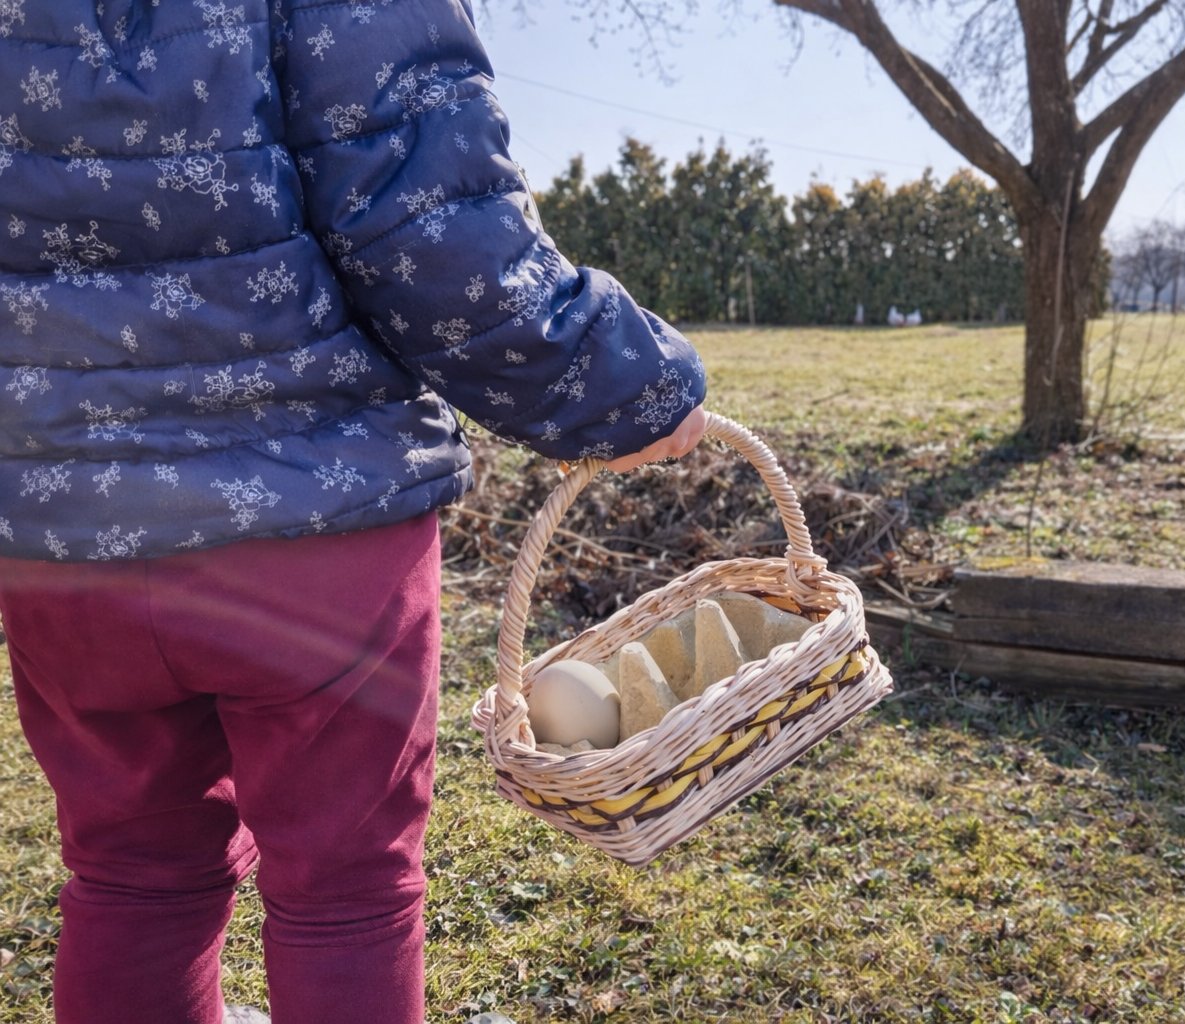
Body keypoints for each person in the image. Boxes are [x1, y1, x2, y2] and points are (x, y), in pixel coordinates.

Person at [0, 2, 708, 1022]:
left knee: (129, 871)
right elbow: (437, 239)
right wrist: (630, 385)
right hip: (311, 528)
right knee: (343, 892)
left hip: (64, 536)